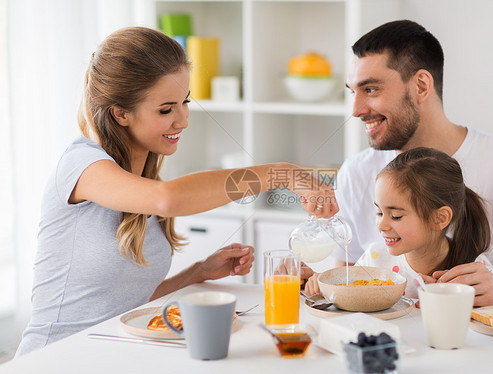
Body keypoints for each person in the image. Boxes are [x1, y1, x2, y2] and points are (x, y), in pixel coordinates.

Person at [16, 26, 337, 356]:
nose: (183, 120)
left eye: (184, 102)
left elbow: (128, 304)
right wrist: (281, 173)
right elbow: (169, 199)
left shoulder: (143, 182)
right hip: (55, 357)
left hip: (112, 352)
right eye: (166, 109)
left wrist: (198, 272)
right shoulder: (82, 165)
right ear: (120, 113)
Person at [326, 20, 493, 306]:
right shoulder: (355, 172)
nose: (356, 110)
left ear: (421, 86)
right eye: (354, 92)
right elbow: (340, 288)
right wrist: (310, 281)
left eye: (371, 89)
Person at [304, 147, 493, 299]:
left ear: (440, 218)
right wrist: (318, 284)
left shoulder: (474, 272)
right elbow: (344, 295)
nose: (381, 225)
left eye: (395, 216)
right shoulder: (374, 259)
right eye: (379, 212)